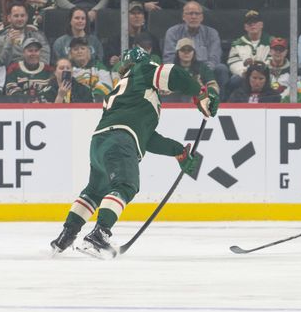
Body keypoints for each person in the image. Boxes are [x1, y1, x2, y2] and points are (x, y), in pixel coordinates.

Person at [48, 46, 219, 258]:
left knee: (94, 191)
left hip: (101, 143)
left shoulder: (125, 90)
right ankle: (99, 234)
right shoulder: (143, 70)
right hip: (120, 140)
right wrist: (200, 92)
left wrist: (177, 151)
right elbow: (173, 73)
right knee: (126, 185)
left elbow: (145, 137)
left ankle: (66, 236)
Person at [163, 1, 229, 88]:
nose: (193, 17)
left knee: (221, 68)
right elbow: (169, 58)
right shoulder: (173, 32)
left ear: (202, 17)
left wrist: (203, 72)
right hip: (180, 69)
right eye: (190, 13)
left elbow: (214, 58)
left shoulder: (212, 33)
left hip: (205, 71)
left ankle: (220, 100)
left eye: (197, 14)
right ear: (183, 16)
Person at [227, 9, 271, 89]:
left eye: (255, 22)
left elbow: (272, 60)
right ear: (245, 27)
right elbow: (233, 62)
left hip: (266, 74)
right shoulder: (237, 43)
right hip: (244, 75)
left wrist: (259, 71)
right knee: (235, 80)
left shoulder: (271, 41)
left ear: (261, 25)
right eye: (249, 23)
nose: (253, 25)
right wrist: (244, 72)